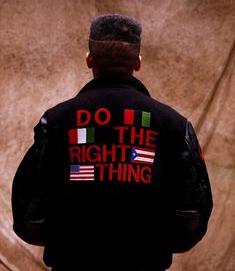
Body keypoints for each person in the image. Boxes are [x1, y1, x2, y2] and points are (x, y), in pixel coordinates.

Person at [12, 14, 213, 271]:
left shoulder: (56, 121)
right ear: (138, 63)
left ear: (89, 60)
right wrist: (150, 244)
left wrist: (69, 241)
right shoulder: (173, 124)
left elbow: (28, 214)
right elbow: (193, 215)